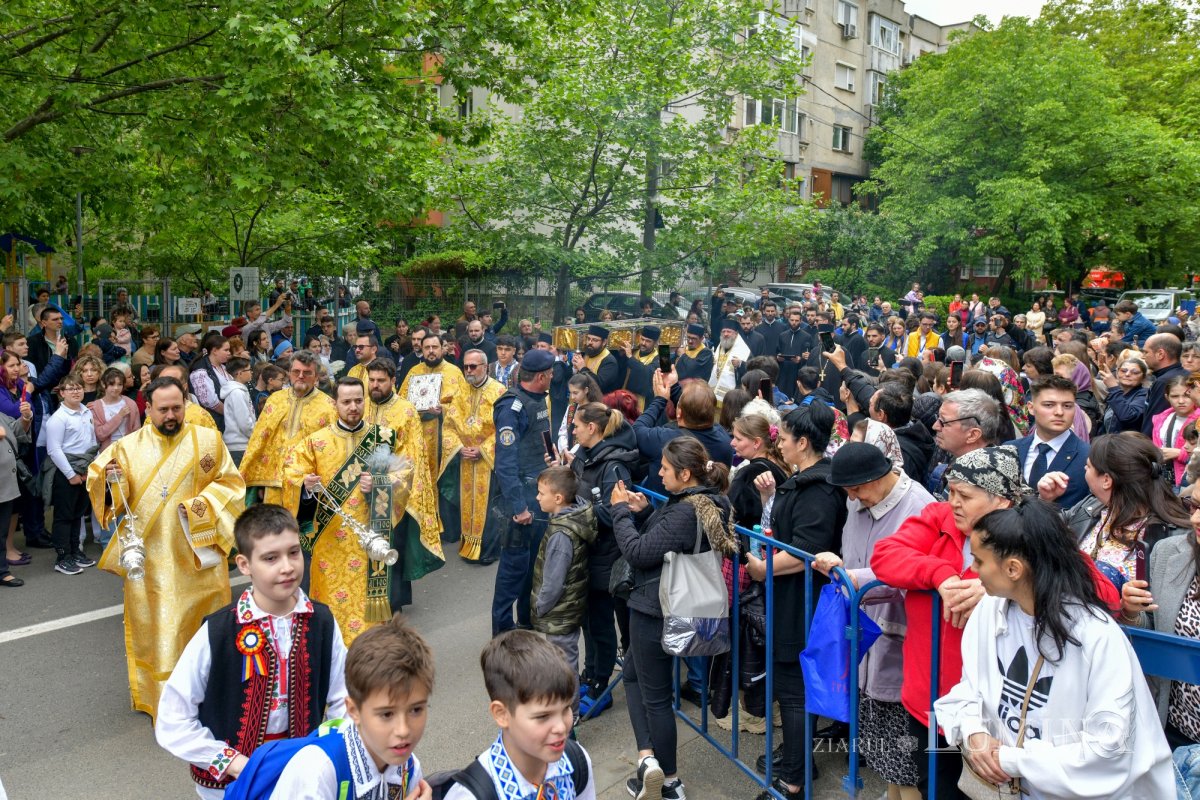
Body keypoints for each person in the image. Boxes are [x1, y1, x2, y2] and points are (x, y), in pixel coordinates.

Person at [935, 500, 1174, 798]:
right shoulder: (988, 611)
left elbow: (1108, 748)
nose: (972, 569)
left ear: (1013, 568)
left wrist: (1012, 759)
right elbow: (969, 690)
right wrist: (974, 732)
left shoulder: (1095, 635)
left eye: (979, 561)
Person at [155, 504, 348, 797]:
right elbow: (173, 717)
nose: (287, 567)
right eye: (270, 558)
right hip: (230, 782)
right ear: (244, 565)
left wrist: (327, 753)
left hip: (299, 773)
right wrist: (235, 764)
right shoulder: (219, 631)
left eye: (293, 552)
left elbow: (344, 699)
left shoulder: (322, 622)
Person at [87, 376, 246, 719]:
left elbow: (232, 485)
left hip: (199, 555)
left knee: (206, 629)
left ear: (186, 403)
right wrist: (108, 480)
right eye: (164, 410)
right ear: (148, 409)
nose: (171, 415)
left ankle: (212, 698)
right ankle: (165, 703)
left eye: (177, 407)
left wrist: (197, 508)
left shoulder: (208, 441)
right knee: (161, 631)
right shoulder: (127, 448)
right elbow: (108, 496)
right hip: (154, 562)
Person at [611, 437, 735, 800]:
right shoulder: (711, 501)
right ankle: (648, 760)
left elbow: (638, 552)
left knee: (656, 697)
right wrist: (646, 512)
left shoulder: (686, 510)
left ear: (684, 473)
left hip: (657, 609)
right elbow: (676, 543)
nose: (659, 472)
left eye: (665, 468)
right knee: (633, 675)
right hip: (673, 606)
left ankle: (669, 781)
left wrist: (620, 511)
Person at [812, 443, 935, 800]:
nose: (852, 497)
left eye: (858, 489)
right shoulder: (858, 498)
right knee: (884, 753)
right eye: (848, 490)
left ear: (881, 476)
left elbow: (910, 574)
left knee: (903, 757)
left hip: (898, 641)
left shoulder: (919, 506)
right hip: (863, 635)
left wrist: (850, 577)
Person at [746, 403, 847, 799]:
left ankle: (792, 780)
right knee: (791, 686)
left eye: (783, 440)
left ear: (803, 442)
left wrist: (762, 569)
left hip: (803, 602)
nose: (780, 447)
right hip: (794, 597)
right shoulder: (805, 479)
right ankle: (795, 761)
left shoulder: (818, 487)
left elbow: (808, 547)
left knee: (793, 688)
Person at [283, 378, 423, 644]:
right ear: (335, 404)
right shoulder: (315, 442)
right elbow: (291, 474)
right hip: (330, 540)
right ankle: (332, 649)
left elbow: (406, 471)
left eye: (359, 401)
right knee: (330, 598)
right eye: (346, 402)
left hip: (370, 537)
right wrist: (305, 485)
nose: (353, 407)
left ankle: (370, 651)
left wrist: (382, 482)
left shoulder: (384, 438)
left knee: (368, 601)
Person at [268, 614, 432, 799]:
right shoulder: (318, 771)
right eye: (387, 714)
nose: (403, 730)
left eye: (416, 710)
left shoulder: (408, 768)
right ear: (353, 710)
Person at [442, 631, 595, 800]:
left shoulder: (577, 762)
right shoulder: (471, 796)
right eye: (543, 716)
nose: (561, 727)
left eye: (566, 708)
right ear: (501, 714)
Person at [567, 401, 643, 717]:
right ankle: (590, 672)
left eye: (576, 425)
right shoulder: (585, 456)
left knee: (600, 624)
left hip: (605, 555)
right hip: (587, 552)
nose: (572, 429)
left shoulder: (613, 466)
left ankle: (601, 686)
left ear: (592, 428)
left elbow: (616, 511)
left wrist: (574, 515)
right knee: (587, 621)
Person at [1059, 431, 1191, 583]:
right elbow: (1046, 531)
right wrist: (1045, 498)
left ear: (1106, 480)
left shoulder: (1171, 537)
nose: (1084, 469)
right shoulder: (1092, 505)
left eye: (1088, 466)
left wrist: (1128, 605)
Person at [1121, 498, 1200, 749]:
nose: (1195, 519)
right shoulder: (1168, 553)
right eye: (1194, 506)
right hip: (1175, 732)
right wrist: (1132, 613)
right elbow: (1156, 634)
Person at [490, 349, 555, 636]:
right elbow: (505, 464)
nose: (553, 377)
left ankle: (526, 619)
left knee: (532, 565)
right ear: (540, 377)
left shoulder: (538, 399)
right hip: (520, 501)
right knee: (513, 570)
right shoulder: (511, 407)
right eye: (550, 374)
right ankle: (502, 632)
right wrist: (519, 508)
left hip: (538, 495)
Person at [398, 333, 470, 543]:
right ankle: (424, 524)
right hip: (419, 437)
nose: (431, 351)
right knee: (421, 479)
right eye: (427, 347)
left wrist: (443, 409)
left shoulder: (453, 372)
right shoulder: (414, 371)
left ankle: (448, 529)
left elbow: (463, 405)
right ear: (421, 348)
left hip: (443, 438)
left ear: (442, 348)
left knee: (445, 482)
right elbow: (402, 402)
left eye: (434, 347)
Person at [530, 466, 595, 691]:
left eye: (541, 493)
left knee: (564, 667)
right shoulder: (570, 519)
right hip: (568, 607)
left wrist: (541, 606)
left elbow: (553, 581)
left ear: (558, 498)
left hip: (560, 612)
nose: (537, 497)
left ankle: (569, 716)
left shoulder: (560, 535)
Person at [242, 351, 336, 505]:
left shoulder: (329, 407)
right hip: (272, 483)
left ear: (317, 376)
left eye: (307, 372)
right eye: (296, 372)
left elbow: (331, 451)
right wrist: (259, 482)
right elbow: (259, 442)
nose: (300, 376)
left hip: (306, 486)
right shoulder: (275, 400)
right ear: (289, 374)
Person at [633, 370, 733, 495]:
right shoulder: (725, 440)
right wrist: (674, 386)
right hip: (707, 504)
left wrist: (660, 399)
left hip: (665, 508)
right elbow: (695, 408)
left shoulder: (667, 440)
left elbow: (636, 430)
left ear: (679, 413)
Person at [451, 349, 508, 564]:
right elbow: (449, 425)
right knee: (468, 503)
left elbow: (504, 429)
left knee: (489, 507)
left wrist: (482, 449)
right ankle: (468, 546)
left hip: (487, 460)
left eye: (473, 366)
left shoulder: (499, 391)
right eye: (466, 366)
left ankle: (488, 551)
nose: (468, 370)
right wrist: (458, 447)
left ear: (485, 367)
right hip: (466, 459)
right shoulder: (460, 391)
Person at [1006, 375, 1090, 508]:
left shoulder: (1089, 457)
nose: (1059, 412)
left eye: (1067, 406)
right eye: (1049, 405)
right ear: (1031, 408)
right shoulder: (1009, 450)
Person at [44, 374, 99, 574]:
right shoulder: (58, 418)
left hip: (86, 469)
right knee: (64, 516)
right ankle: (62, 557)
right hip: (67, 471)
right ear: (62, 393)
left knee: (78, 514)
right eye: (71, 388)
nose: (76, 391)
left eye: (79, 388)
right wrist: (70, 475)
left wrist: (93, 468)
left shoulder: (86, 412)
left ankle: (75, 551)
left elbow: (92, 442)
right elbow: (54, 450)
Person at [0, 405, 32, 587]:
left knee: (1, 532)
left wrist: (25, 418)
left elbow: (15, 431)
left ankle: (2, 571)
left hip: (4, 485)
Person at [1152, 374, 1200, 486]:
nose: (1181, 401)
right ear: (1167, 397)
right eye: (1175, 396)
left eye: (1186, 396)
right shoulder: (1160, 419)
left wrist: (1179, 453)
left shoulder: (1198, 419)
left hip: (1189, 481)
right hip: (1162, 480)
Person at [89, 366, 140, 452]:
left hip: (128, 450)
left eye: (119, 384)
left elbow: (137, 430)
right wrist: (119, 416)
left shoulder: (130, 403)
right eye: (112, 384)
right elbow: (100, 435)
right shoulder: (95, 407)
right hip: (107, 452)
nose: (116, 388)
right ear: (103, 384)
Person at [219, 357, 255, 467]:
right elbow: (244, 422)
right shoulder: (236, 393)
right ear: (240, 373)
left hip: (243, 444)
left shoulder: (241, 391)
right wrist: (255, 436)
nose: (251, 372)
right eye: (249, 370)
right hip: (239, 445)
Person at [27, 305, 78, 375]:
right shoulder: (32, 342)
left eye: (61, 318)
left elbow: (75, 366)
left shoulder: (71, 341)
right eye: (55, 319)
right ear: (44, 323)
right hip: (43, 383)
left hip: (66, 383)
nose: (60, 321)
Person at [571, 324, 620, 394]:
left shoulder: (610, 361)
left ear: (604, 342)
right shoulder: (587, 353)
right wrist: (575, 368)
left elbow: (599, 385)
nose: (590, 342)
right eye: (588, 339)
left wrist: (582, 368)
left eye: (595, 340)